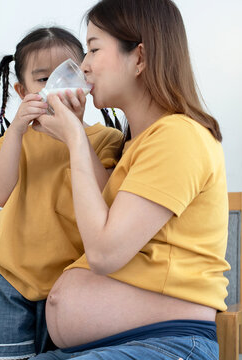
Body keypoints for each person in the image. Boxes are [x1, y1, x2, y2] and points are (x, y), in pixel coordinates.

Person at [28, 0, 230, 359]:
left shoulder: (178, 137)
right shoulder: (138, 144)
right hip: (114, 345)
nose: (84, 65)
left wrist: (76, 137)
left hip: (166, 343)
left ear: (139, 57)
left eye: (93, 49)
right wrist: (72, 134)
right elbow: (103, 218)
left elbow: (105, 253)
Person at [0, 26, 125, 359]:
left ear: (86, 80)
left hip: (72, 289)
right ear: (21, 91)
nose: (56, 87)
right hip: (6, 280)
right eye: (42, 80)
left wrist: (74, 134)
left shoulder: (105, 139)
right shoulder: (14, 142)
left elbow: (105, 198)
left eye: (67, 74)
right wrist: (18, 129)